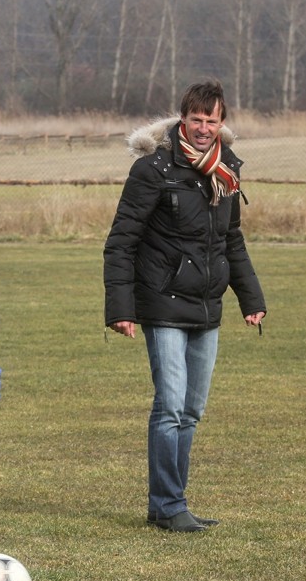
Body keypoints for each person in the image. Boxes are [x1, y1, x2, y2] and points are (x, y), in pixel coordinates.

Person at [103, 80, 267, 533]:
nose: (203, 128)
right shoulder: (152, 169)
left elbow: (230, 239)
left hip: (207, 305)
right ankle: (170, 503)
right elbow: (121, 243)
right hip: (162, 301)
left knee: (192, 410)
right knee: (171, 405)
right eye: (196, 119)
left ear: (222, 123)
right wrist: (121, 308)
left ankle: (167, 506)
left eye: (212, 120)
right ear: (183, 118)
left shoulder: (227, 169)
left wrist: (250, 299)